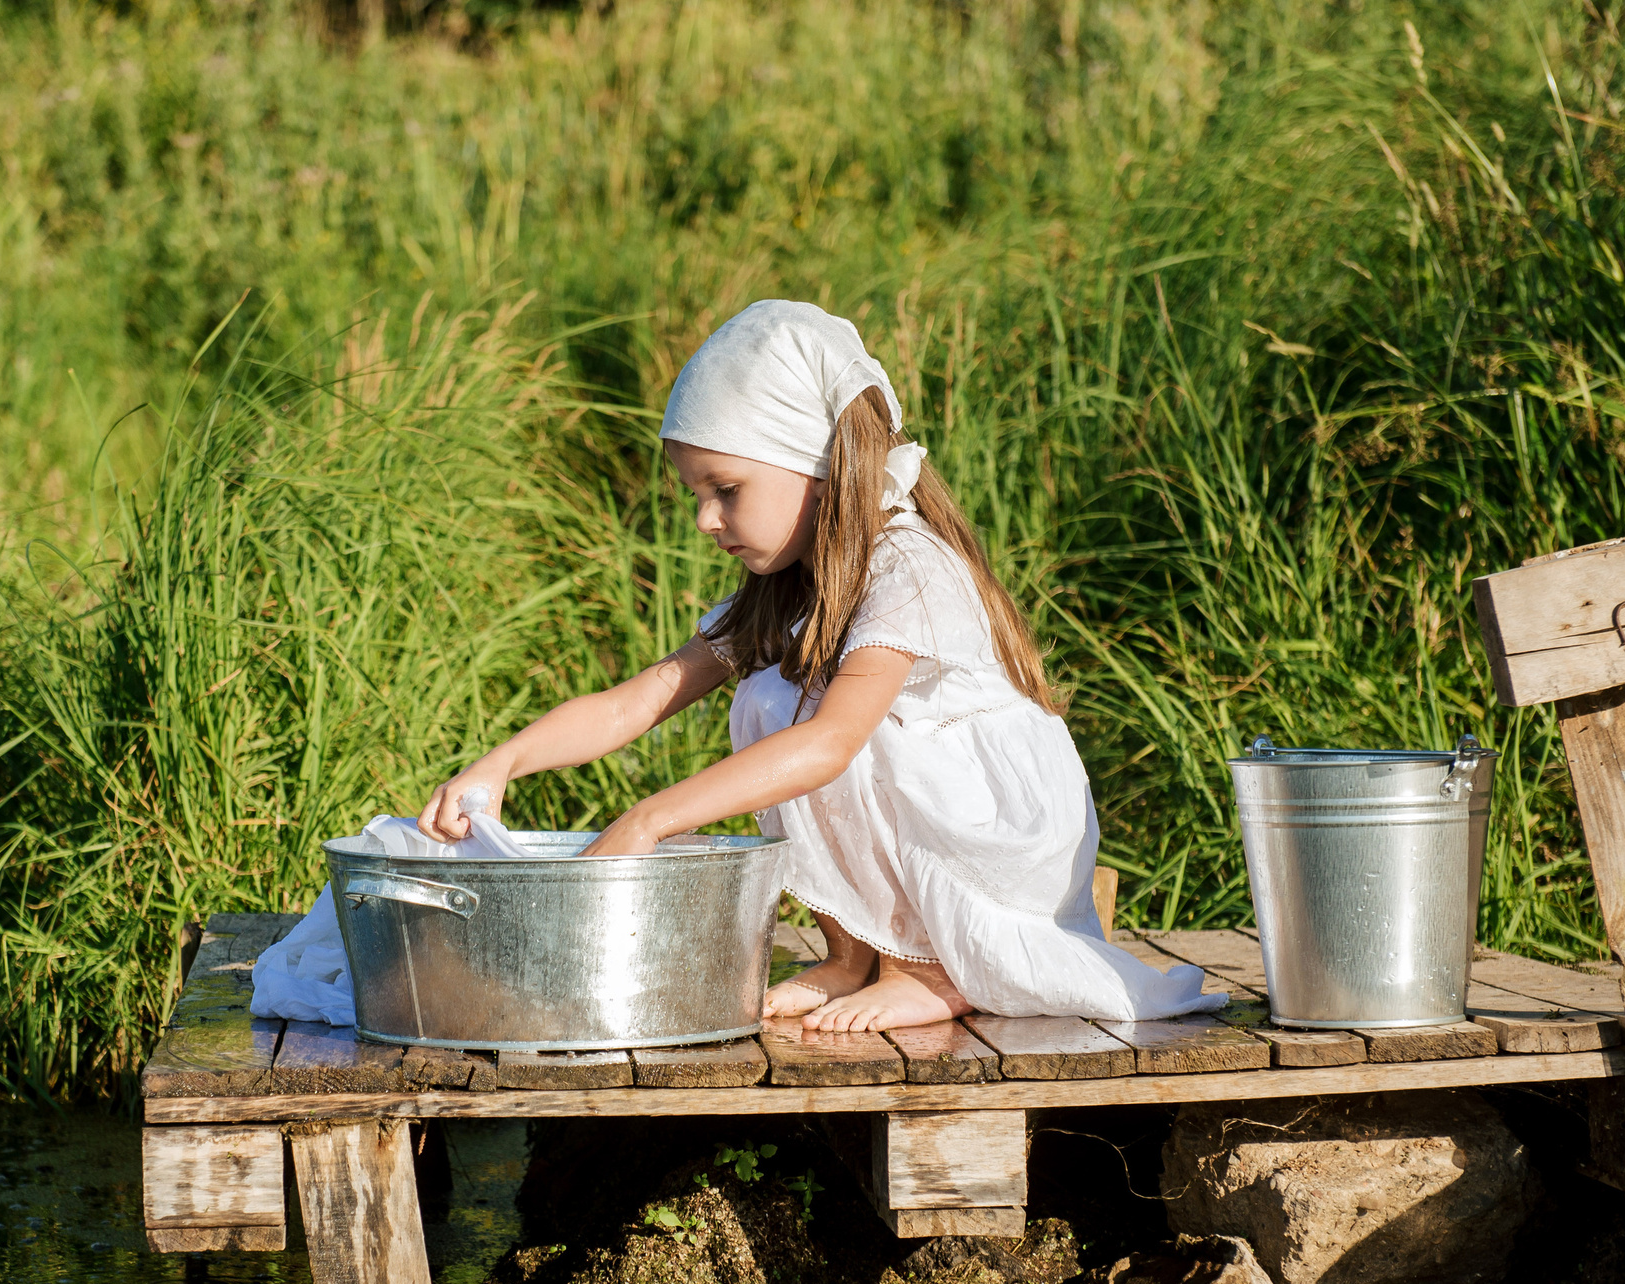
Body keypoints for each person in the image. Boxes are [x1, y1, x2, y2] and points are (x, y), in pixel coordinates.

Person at [417, 300, 1216, 1031]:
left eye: (727, 489)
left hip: (993, 842)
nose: (705, 519)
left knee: (817, 724)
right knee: (769, 698)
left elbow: (833, 745)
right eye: (696, 493)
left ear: (819, 464)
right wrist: (503, 761)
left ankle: (930, 968)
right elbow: (638, 701)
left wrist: (650, 820)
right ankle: (853, 954)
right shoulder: (789, 589)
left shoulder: (910, 566)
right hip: (935, 822)